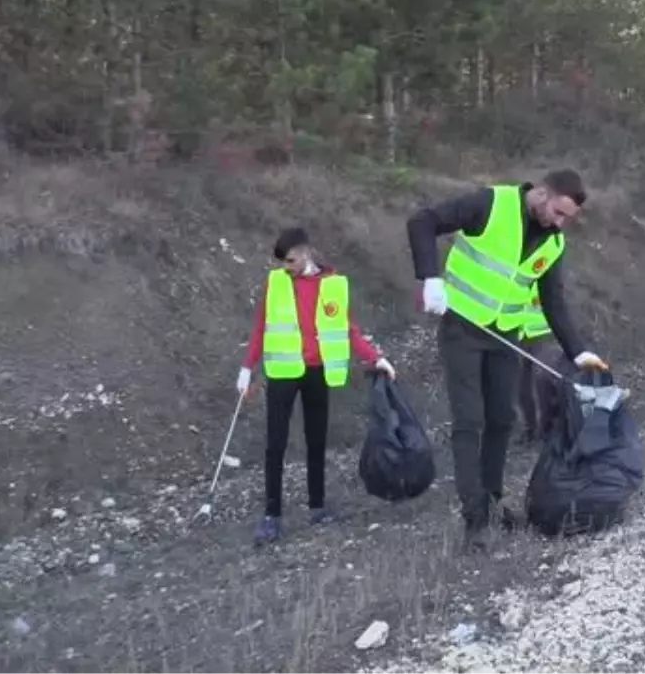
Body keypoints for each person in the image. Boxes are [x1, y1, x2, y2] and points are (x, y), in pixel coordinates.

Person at [406, 169, 607, 551]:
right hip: (462, 329)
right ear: (543, 193)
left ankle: (493, 500)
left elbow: (553, 303)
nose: (560, 223)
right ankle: (474, 521)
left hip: (505, 337)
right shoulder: (490, 203)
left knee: (502, 419)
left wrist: (578, 351)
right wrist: (429, 278)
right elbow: (423, 221)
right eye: (559, 213)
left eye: (567, 218)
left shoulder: (553, 243)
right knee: (470, 421)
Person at [238, 227, 396, 546]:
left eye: (292, 260)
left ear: (307, 252)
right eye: (283, 261)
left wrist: (375, 358)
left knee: (316, 440)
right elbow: (260, 327)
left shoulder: (334, 285)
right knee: (275, 444)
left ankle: (317, 506)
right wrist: (246, 367)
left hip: (317, 371)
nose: (287, 266)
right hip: (283, 372)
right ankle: (272, 516)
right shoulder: (276, 283)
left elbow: (349, 330)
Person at [517, 283, 555, 445]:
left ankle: (549, 428)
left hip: (541, 333)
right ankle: (529, 428)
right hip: (516, 333)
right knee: (520, 384)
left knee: (543, 380)